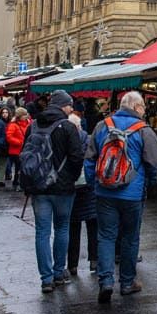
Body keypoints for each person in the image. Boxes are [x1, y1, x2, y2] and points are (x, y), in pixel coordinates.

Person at [83, 90, 157, 306]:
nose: (144, 111)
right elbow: (156, 160)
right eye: (144, 107)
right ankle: (127, 282)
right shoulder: (143, 130)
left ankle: (106, 281)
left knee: (106, 236)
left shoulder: (102, 125)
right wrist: (149, 182)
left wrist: (94, 183)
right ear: (136, 107)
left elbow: (89, 159)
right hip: (132, 194)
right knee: (130, 237)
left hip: (104, 192)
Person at [22, 91, 85, 294]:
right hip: (63, 187)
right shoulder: (67, 127)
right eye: (69, 106)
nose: (70, 109)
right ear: (63, 106)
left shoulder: (33, 125)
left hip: (39, 187)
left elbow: (25, 156)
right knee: (62, 228)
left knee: (42, 232)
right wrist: (71, 178)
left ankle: (46, 279)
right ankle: (59, 272)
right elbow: (76, 157)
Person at [66, 109, 100, 278]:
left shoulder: (65, 141)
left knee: (73, 227)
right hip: (90, 187)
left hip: (72, 189)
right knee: (93, 225)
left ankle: (72, 264)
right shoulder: (89, 139)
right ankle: (95, 260)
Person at [0, 107, 14, 186]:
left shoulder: (11, 123)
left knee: (3, 163)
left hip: (7, 146)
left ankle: (0, 180)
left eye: (6, 112)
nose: (5, 114)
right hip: (0, 145)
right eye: (3, 113)